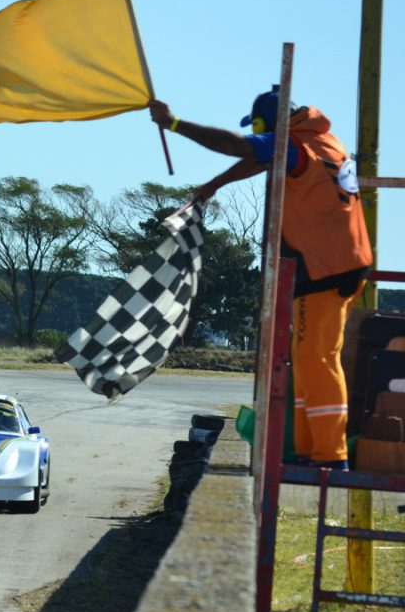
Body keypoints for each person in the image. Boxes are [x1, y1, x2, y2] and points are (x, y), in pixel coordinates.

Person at [149, 89, 372, 470]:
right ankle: (311, 450)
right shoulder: (321, 142)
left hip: (325, 269)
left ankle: (331, 456)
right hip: (346, 262)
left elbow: (239, 147)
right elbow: (260, 158)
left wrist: (174, 124)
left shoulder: (296, 145)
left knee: (317, 360)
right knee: (309, 358)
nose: (257, 136)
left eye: (258, 128)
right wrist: (215, 184)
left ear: (269, 124)